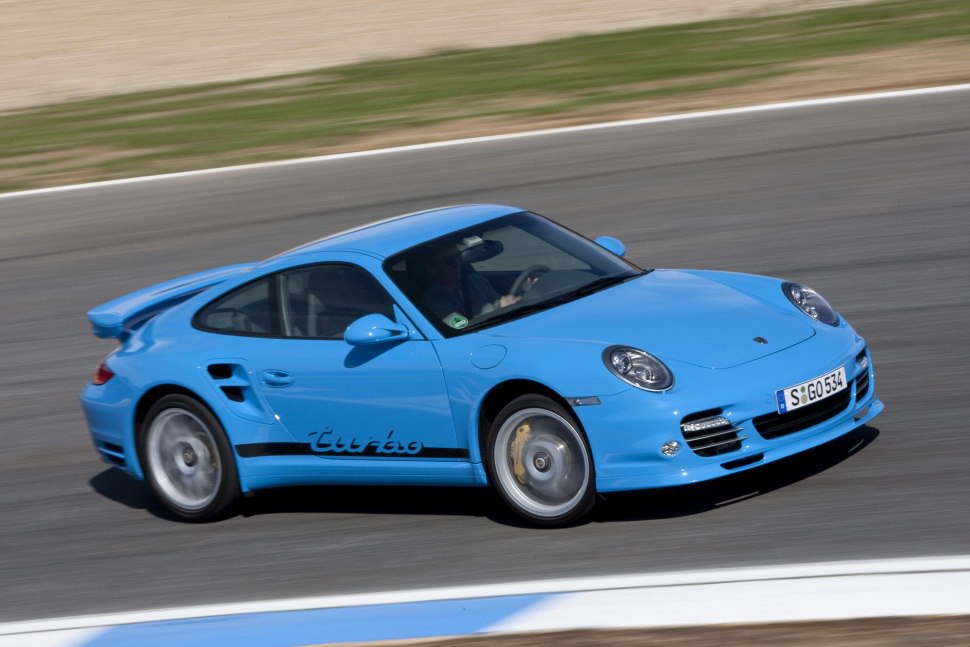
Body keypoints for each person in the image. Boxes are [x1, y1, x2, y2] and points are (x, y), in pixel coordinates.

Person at [417, 243, 519, 328]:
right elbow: (463, 327)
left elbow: (497, 302)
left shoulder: (474, 280)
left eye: (458, 257)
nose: (457, 264)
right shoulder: (432, 300)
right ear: (433, 269)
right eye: (449, 261)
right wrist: (502, 311)